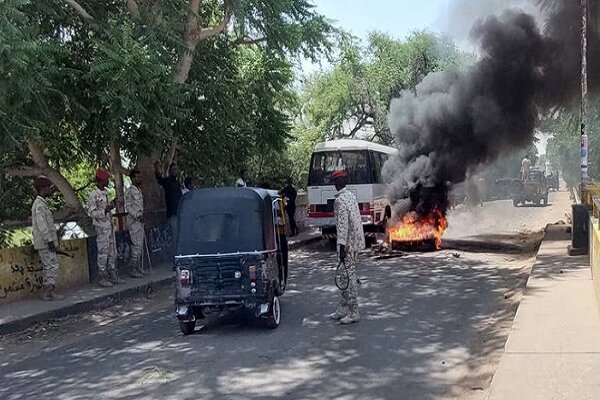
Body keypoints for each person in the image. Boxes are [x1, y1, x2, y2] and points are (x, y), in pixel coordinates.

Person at [330, 170, 365, 325]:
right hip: (355, 242)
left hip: (347, 245)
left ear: (336, 183)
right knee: (344, 276)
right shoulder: (351, 196)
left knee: (349, 278)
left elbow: (343, 225)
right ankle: (343, 308)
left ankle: (353, 311)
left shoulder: (340, 200)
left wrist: (342, 247)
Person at [88, 168, 122, 287]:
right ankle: (102, 276)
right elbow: (92, 213)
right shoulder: (94, 195)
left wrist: (112, 205)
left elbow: (108, 209)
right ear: (101, 180)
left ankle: (113, 274)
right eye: (106, 179)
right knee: (103, 253)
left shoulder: (106, 193)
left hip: (110, 227)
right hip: (101, 228)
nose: (108, 181)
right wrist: (104, 210)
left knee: (113, 252)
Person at [31, 176, 65, 301]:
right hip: (46, 242)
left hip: (46, 242)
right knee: (52, 266)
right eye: (48, 188)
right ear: (42, 189)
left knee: (48, 266)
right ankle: (48, 292)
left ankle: (49, 292)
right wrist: (50, 241)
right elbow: (42, 225)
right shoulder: (39, 205)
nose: (49, 190)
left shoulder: (41, 204)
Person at [124, 169, 144, 278]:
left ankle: (137, 266)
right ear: (132, 179)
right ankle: (132, 268)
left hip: (140, 222)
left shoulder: (139, 190)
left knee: (140, 245)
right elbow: (128, 207)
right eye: (137, 177)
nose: (139, 179)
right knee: (136, 245)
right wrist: (137, 215)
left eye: (140, 177)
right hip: (133, 222)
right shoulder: (129, 191)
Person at [154, 161, 182, 238]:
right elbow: (160, 180)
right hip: (172, 214)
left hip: (179, 213)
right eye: (173, 169)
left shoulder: (177, 183)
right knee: (175, 235)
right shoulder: (167, 181)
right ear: (170, 171)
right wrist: (157, 169)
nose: (174, 171)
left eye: (176, 169)